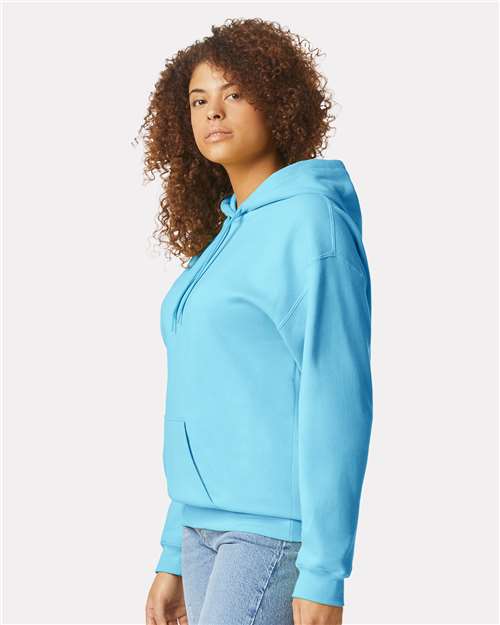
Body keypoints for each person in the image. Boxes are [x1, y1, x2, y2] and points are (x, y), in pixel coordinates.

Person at [139, 17, 373, 625]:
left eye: (234, 93)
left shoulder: (310, 222)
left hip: (270, 532)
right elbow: (205, 397)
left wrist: (324, 572)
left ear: (278, 101)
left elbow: (337, 397)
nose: (213, 112)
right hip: (202, 528)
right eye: (199, 100)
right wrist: (173, 551)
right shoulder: (227, 236)